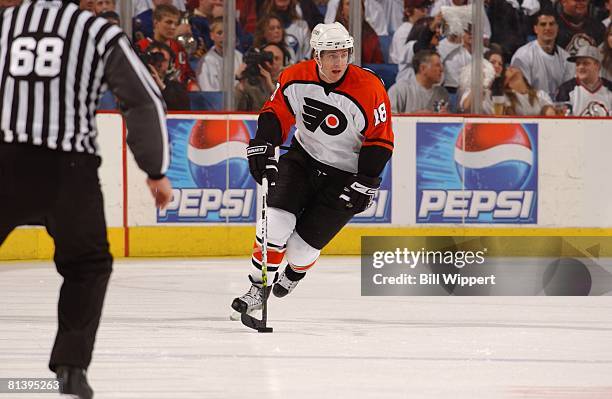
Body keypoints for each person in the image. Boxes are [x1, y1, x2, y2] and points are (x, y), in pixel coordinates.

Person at [0, 1, 172, 398]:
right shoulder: (98, 31)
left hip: (4, 155)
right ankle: (71, 367)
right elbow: (143, 100)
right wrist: (156, 170)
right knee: (88, 265)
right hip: (68, 167)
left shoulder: (5, 23)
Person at [231, 22, 394, 316]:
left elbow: (380, 139)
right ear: (316, 55)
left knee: (300, 250)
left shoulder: (370, 88)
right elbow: (276, 112)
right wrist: (264, 144)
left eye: (344, 54)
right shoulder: (294, 77)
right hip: (302, 160)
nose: (338, 62)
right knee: (275, 223)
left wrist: (367, 179)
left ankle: (294, 274)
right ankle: (257, 288)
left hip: (345, 175)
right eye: (331, 55)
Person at [511, 11, 575, 98]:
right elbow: (521, 92)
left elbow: (570, 91)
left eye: (552, 24)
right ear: (535, 29)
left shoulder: (566, 57)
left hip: (560, 107)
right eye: (543, 24)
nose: (548, 28)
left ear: (557, 28)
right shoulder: (523, 56)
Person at [138, 4, 200, 91]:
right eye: (169, 22)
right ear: (156, 23)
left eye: (176, 23)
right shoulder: (141, 47)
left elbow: (187, 75)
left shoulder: (179, 48)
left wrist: (192, 85)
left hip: (177, 98)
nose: (173, 27)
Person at [556, 44, 612, 115]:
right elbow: (561, 122)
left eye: (586, 63)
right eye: (578, 64)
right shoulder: (566, 89)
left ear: (597, 66)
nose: (580, 67)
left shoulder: (610, 88)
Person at [234, 43, 288, 111]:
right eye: (267, 58)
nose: (272, 62)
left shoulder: (288, 84)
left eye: (277, 58)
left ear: (284, 62)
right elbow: (234, 112)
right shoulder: (251, 84)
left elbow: (287, 110)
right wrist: (239, 88)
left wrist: (271, 87)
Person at [196, 17, 244, 91]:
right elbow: (208, 93)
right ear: (211, 35)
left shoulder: (239, 57)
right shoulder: (206, 62)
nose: (224, 37)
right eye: (219, 33)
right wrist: (236, 79)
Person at [146, 41, 191, 109]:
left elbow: (182, 110)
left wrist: (162, 86)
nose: (159, 64)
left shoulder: (177, 88)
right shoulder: (136, 83)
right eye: (155, 59)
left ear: (170, 64)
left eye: (164, 60)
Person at [389, 0, 432, 64]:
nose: (425, 12)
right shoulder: (403, 32)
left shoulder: (422, 29)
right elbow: (402, 60)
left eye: (426, 7)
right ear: (408, 12)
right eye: (421, 8)